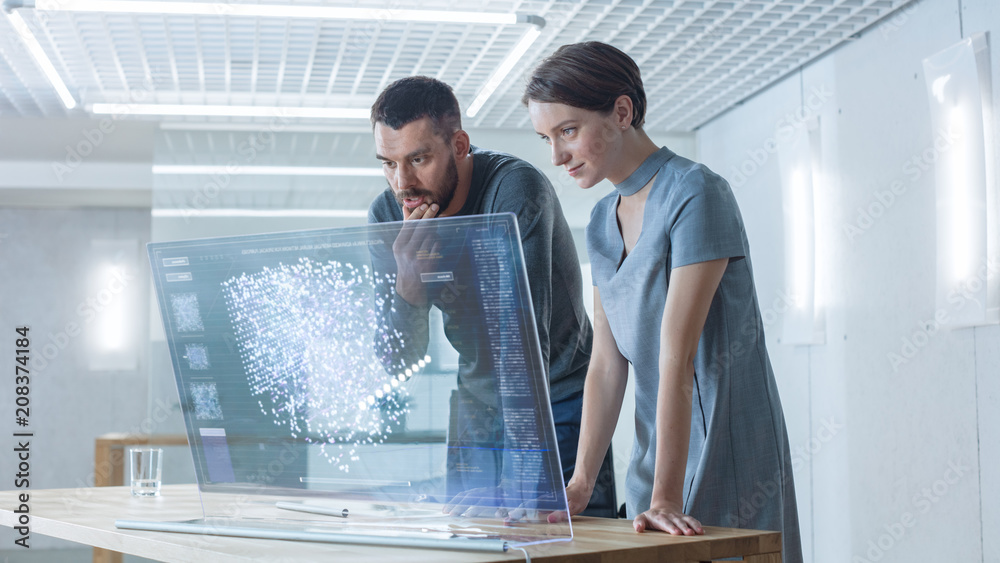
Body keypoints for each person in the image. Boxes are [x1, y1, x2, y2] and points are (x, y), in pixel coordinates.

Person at [523, 41, 802, 561]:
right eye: (546, 137)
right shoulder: (603, 223)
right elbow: (607, 366)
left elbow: (678, 352)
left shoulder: (696, 193)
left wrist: (667, 496)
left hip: (726, 448)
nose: (556, 156)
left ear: (622, 112)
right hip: (656, 464)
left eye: (568, 131)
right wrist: (582, 483)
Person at [367, 75, 616, 517]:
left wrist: (510, 489)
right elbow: (398, 363)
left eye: (418, 158)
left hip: (552, 396)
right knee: (471, 539)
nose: (402, 182)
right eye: (387, 163)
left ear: (460, 145)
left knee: (555, 542)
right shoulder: (388, 214)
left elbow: (523, 348)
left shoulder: (514, 190)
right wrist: (408, 287)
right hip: (475, 404)